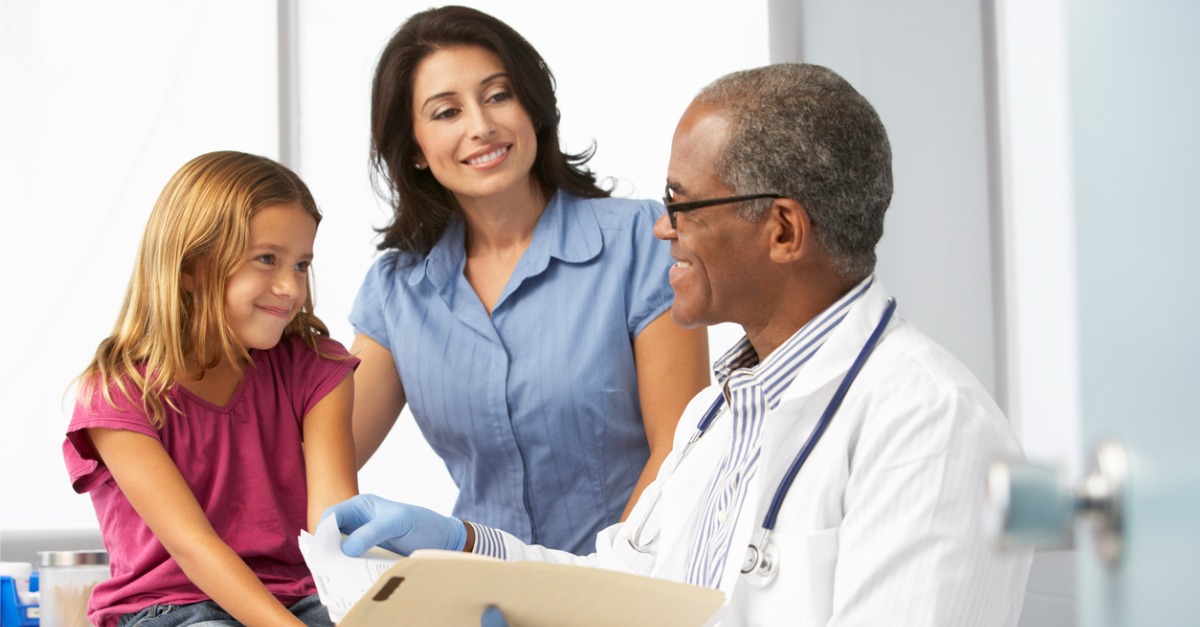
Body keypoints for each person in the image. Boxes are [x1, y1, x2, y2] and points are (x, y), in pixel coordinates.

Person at [327, 63, 1034, 626]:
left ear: (783, 230)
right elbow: (630, 585)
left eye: (682, 203)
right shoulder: (717, 416)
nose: (661, 229)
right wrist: (468, 548)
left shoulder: (928, 425)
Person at [349, 5, 710, 554]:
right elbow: (321, 458)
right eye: (446, 112)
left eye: (498, 95)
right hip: (479, 596)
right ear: (415, 149)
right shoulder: (397, 290)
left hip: (628, 589)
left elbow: (679, 453)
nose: (481, 125)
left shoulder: (642, 241)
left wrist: (596, 590)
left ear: (533, 107)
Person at [63, 151, 359, 627]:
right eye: (267, 259)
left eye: (302, 264)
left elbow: (333, 531)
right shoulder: (119, 393)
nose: (290, 287)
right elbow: (194, 549)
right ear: (190, 268)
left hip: (299, 598)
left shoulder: (318, 368)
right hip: (167, 606)